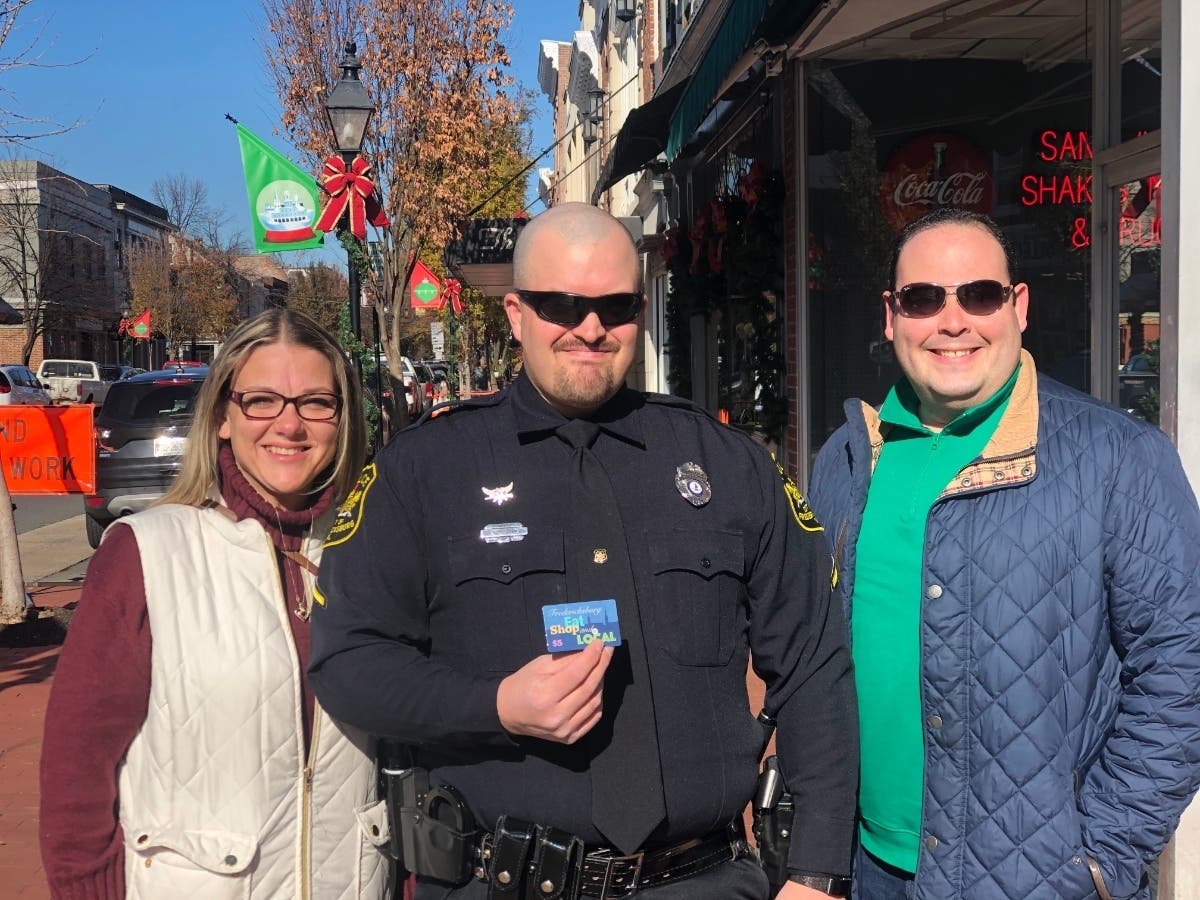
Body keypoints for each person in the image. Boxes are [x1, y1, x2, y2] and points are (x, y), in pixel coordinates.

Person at [308, 203, 858, 900]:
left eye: (616, 307)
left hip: (700, 882)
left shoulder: (729, 467)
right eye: (562, 305)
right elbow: (348, 660)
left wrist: (815, 871)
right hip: (499, 881)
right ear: (515, 313)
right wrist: (495, 705)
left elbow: (815, 663)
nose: (591, 328)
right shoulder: (421, 472)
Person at [808, 207, 1200, 900]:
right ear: (891, 316)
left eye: (979, 294)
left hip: (1038, 882)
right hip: (867, 871)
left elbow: (1183, 669)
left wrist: (1101, 858)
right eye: (924, 298)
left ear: (1018, 306)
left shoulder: (1117, 460)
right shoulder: (845, 461)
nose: (952, 320)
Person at [40, 309, 392, 899]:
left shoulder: (373, 550)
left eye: (315, 402)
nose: (290, 424)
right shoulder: (146, 554)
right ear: (225, 417)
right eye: (262, 400)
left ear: (342, 419)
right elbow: (77, 776)